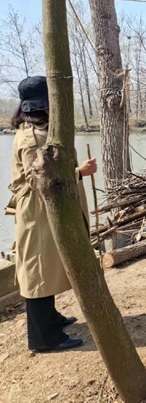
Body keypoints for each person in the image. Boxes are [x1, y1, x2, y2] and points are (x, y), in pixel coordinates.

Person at [9, 75, 96, 352]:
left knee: (48, 266)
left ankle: (51, 319)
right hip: (37, 212)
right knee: (38, 270)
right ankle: (44, 338)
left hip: (48, 209)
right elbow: (37, 180)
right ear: (45, 106)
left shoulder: (43, 131)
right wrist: (78, 172)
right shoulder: (31, 138)